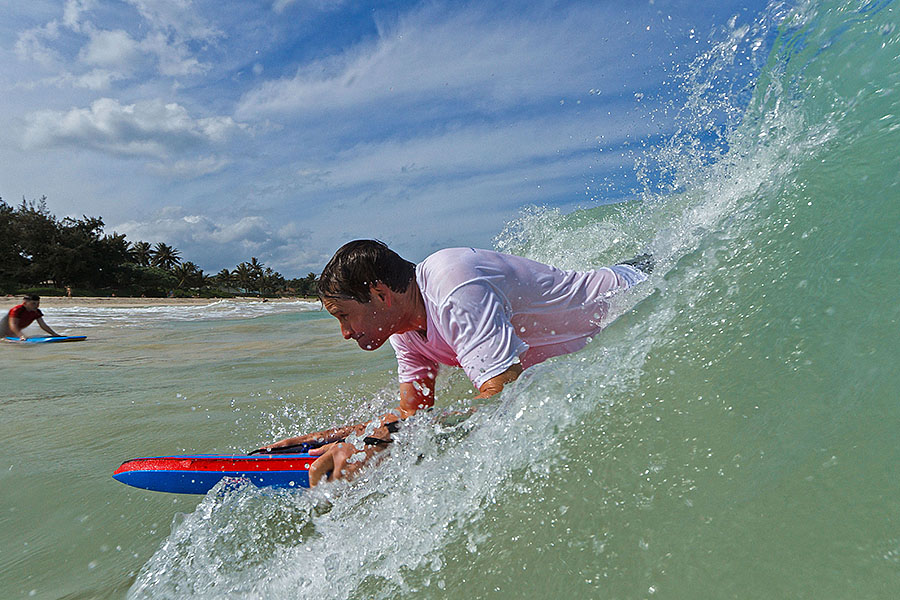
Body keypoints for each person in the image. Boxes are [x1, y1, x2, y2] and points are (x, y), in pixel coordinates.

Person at [260, 240, 653, 485]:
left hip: (637, 289)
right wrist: (335, 439)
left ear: (380, 294)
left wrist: (379, 446)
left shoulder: (452, 282)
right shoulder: (405, 331)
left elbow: (504, 395)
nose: (345, 333)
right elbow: (412, 413)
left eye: (344, 315)